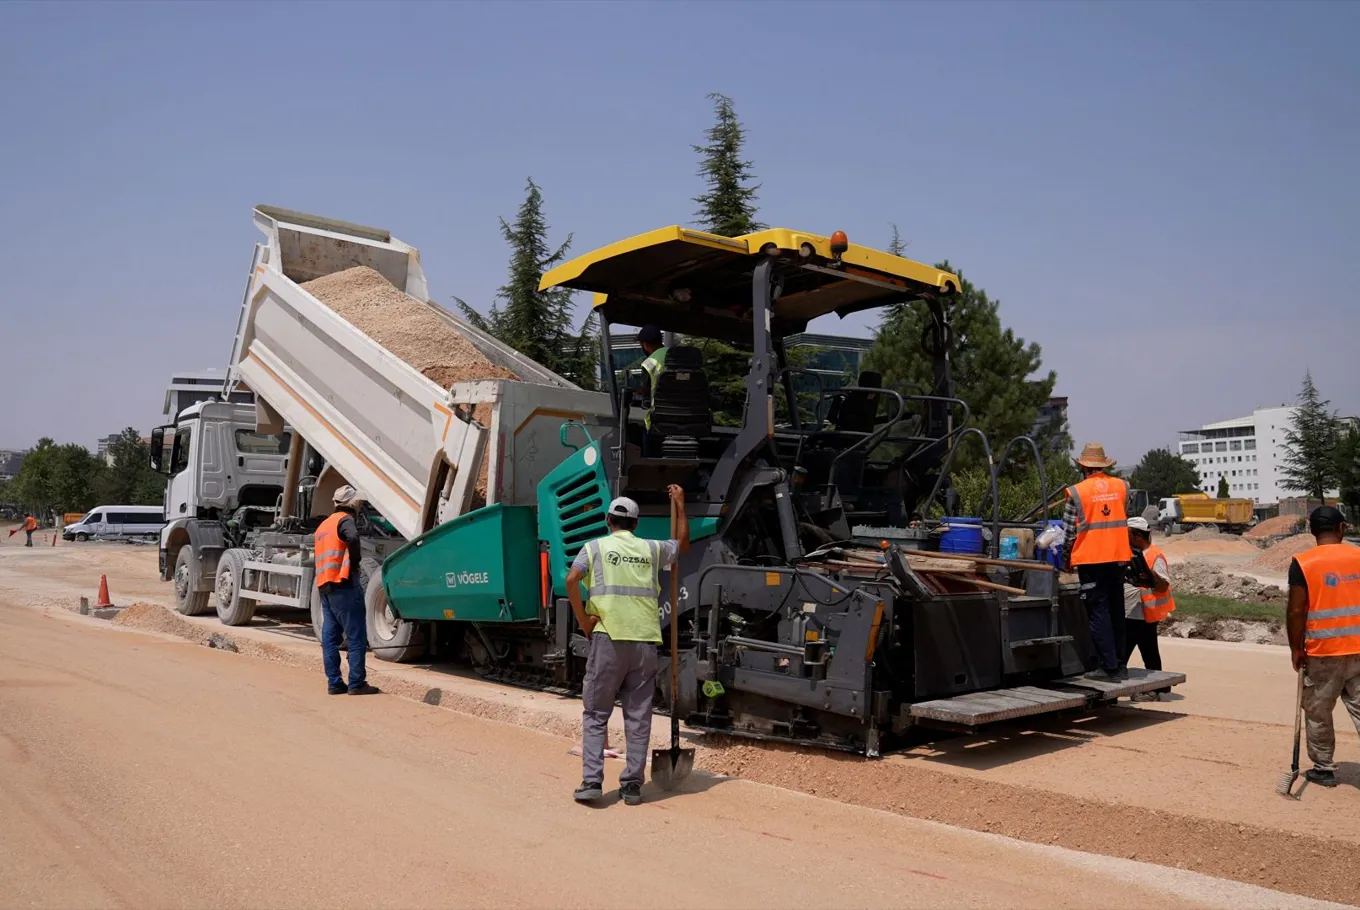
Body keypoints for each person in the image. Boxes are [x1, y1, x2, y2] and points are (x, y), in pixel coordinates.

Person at [567, 485, 690, 806]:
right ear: (636, 524)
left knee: (596, 713)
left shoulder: (593, 548)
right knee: (638, 714)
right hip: (645, 642)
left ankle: (593, 782)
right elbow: (682, 545)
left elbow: (570, 579)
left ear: (609, 520)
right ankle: (632, 786)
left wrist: (584, 621)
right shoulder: (651, 548)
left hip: (608, 639)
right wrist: (680, 503)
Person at [1286, 505, 1360, 788]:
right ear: (1341, 529)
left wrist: (1296, 648)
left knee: (1317, 711)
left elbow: (1296, 611)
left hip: (1323, 651)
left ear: (1312, 531)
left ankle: (1324, 768)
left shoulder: (1304, 562)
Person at [1062, 443, 1132, 681]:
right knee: (1116, 609)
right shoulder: (1123, 486)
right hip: (1118, 557)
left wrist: (1065, 558)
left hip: (1092, 561)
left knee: (1098, 612)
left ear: (1082, 466)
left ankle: (1108, 667)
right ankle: (1120, 664)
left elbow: (1069, 532)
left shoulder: (1076, 492)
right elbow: (1122, 515)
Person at [315, 485, 379, 696]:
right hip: (343, 584)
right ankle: (356, 683)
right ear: (352, 503)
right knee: (355, 635)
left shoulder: (324, 525)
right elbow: (352, 537)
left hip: (325, 586)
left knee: (330, 638)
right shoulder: (345, 520)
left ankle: (334, 683)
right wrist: (355, 563)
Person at [1123, 516, 1173, 701]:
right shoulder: (1130, 553)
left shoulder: (1153, 555)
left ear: (1136, 535)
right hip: (1133, 612)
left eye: (1127, 534)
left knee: (1123, 652)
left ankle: (1155, 688)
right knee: (1148, 650)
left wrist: (1147, 573)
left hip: (1143, 613)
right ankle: (1159, 686)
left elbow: (1162, 586)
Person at [635, 325, 667, 432]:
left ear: (645, 344)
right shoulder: (676, 355)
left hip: (659, 421)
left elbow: (645, 392)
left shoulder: (650, 363)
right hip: (691, 418)